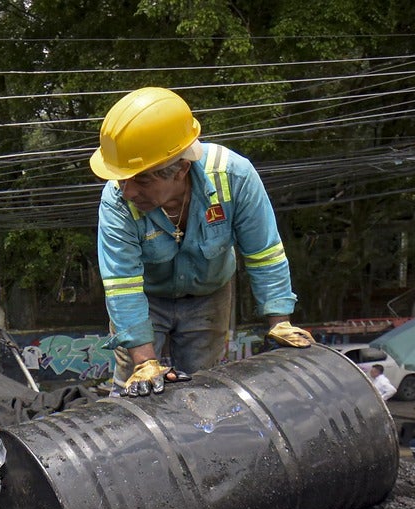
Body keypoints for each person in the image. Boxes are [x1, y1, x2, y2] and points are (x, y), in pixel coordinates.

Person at [89, 87, 312, 397]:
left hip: (209, 295)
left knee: (202, 390)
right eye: (121, 178)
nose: (128, 191)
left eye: (141, 179)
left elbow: (265, 253)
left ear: (181, 168)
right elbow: (122, 284)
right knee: (136, 390)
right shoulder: (117, 202)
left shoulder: (234, 176)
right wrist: (144, 363)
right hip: (144, 300)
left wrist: (279, 322)